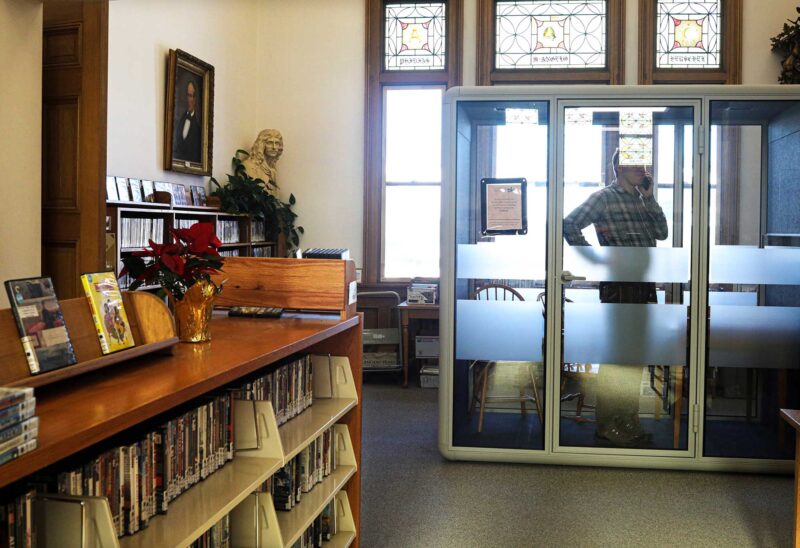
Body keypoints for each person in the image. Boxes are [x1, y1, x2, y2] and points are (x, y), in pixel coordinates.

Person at [563, 149, 668, 447]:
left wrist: (649, 198)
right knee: (617, 358)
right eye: (636, 164)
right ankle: (609, 426)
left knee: (634, 358)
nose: (643, 168)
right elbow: (569, 223)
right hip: (620, 285)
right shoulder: (604, 197)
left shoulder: (641, 199)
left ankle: (628, 422)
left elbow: (662, 233)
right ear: (619, 167)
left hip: (644, 284)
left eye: (645, 164)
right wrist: (599, 260)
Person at [173, 80, 202, 163]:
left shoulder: (198, 128)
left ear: (195, 99)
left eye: (191, 96)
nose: (189, 99)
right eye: (187, 95)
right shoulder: (179, 122)